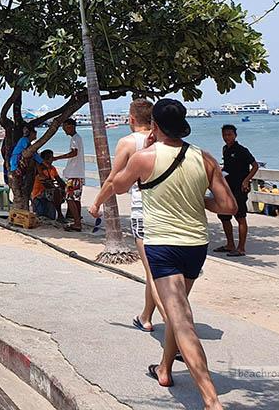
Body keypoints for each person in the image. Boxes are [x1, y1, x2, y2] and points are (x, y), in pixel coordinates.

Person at [93, 99, 235, 410]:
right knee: (176, 310)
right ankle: (165, 369)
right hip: (195, 246)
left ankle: (211, 400)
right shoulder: (205, 158)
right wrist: (201, 201)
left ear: (155, 126)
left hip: (163, 247)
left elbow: (117, 187)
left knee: (181, 317)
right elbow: (228, 206)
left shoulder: (144, 158)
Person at [89, 99, 164, 332]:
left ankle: (179, 330)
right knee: (155, 270)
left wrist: (96, 203)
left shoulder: (128, 142)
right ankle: (146, 317)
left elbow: (113, 179)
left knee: (154, 275)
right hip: (167, 212)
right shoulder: (164, 139)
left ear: (131, 119)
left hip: (144, 212)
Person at [214, 124, 258, 257]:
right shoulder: (225, 149)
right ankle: (230, 244)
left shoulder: (242, 150)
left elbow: (255, 166)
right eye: (224, 135)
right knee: (223, 216)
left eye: (229, 134)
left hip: (240, 188)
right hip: (227, 187)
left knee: (240, 216)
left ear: (235, 135)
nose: (226, 137)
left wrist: (246, 180)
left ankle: (241, 248)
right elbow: (227, 167)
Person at [54, 118, 85, 232]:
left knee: (70, 199)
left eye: (65, 127)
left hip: (73, 174)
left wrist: (57, 158)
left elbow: (74, 153)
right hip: (78, 174)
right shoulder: (78, 138)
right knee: (76, 199)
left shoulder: (75, 139)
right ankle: (78, 221)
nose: (64, 129)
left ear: (70, 126)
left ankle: (77, 223)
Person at [8, 125, 44, 209]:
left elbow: (33, 154)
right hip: (16, 163)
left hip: (18, 165)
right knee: (19, 187)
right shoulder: (24, 140)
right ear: (31, 134)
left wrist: (42, 162)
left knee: (23, 187)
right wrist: (42, 162)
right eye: (35, 133)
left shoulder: (27, 142)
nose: (36, 136)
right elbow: (31, 152)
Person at [32, 150, 66, 221]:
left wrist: (66, 187)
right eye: (48, 158)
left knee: (65, 190)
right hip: (39, 193)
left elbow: (59, 180)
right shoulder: (39, 169)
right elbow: (46, 183)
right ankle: (60, 214)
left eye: (50, 157)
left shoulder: (52, 168)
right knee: (55, 191)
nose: (50, 160)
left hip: (48, 191)